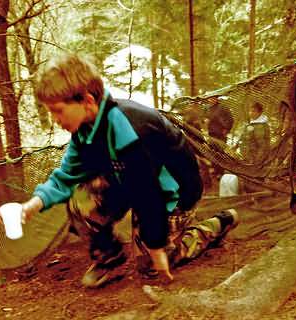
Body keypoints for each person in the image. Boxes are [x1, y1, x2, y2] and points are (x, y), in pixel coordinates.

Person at [20, 53, 239, 288]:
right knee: (81, 199)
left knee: (152, 267)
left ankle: (216, 225)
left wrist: (155, 247)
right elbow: (67, 176)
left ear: (87, 100)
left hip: (174, 192)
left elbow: (149, 194)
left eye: (58, 110)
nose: (54, 119)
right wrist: (34, 204)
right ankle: (109, 257)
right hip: (128, 182)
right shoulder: (84, 130)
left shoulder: (133, 129)